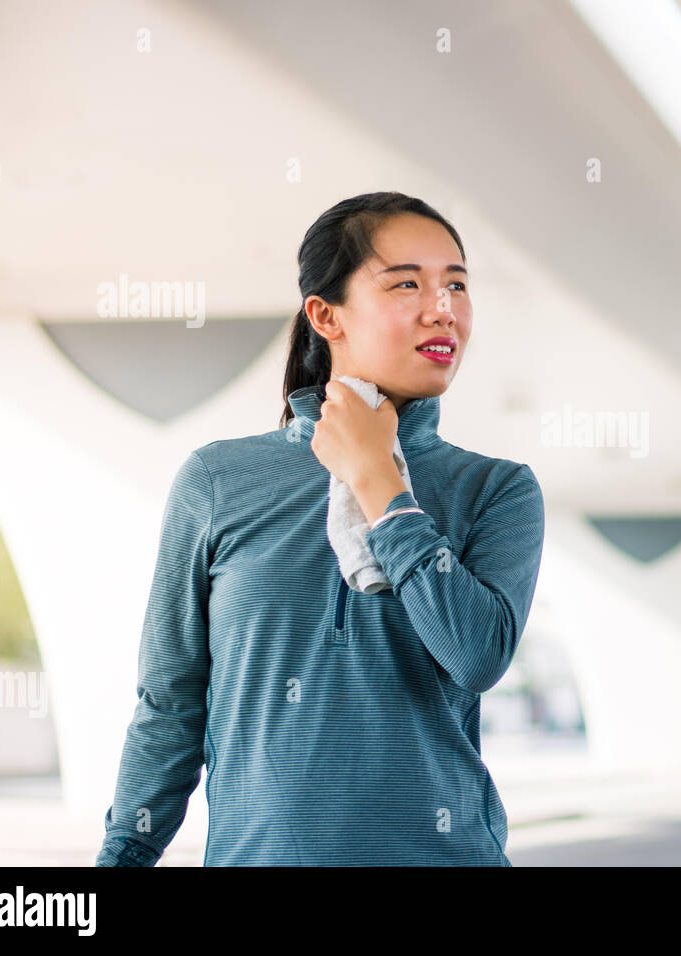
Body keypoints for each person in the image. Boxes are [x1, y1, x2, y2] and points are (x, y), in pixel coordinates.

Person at [95, 191, 545, 866]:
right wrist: (120, 859)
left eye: (456, 283)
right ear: (325, 314)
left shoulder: (497, 489)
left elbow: (476, 656)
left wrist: (380, 485)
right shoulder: (218, 481)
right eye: (406, 284)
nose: (442, 307)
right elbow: (170, 705)